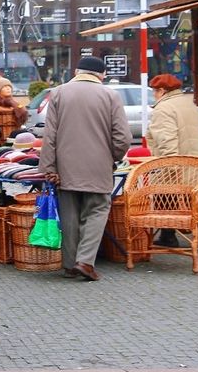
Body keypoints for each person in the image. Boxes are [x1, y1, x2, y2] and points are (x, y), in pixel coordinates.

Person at [38, 56, 131, 281]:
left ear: (78, 71)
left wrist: (49, 167)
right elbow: (123, 138)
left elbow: (49, 135)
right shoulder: (110, 95)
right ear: (101, 74)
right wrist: (114, 157)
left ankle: (70, 264)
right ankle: (85, 262)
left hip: (65, 167)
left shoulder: (59, 93)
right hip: (98, 167)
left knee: (70, 214)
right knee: (97, 210)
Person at [147, 74, 198, 246]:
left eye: (154, 91)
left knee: (163, 194)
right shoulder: (188, 103)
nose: (154, 95)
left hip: (177, 162)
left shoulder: (164, 108)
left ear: (162, 91)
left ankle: (168, 235)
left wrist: (169, 164)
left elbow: (166, 139)